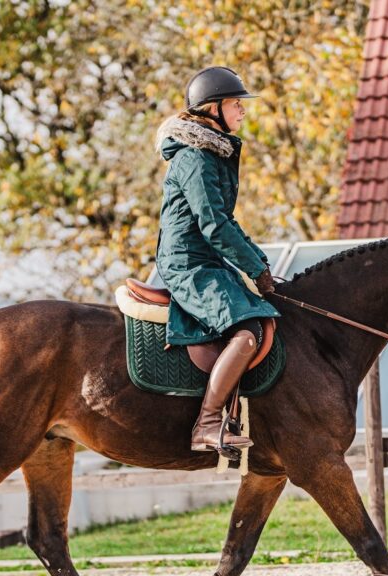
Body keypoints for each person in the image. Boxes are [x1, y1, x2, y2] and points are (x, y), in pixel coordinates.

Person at [153, 66, 279, 457]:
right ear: (212, 109)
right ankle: (207, 422)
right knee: (246, 334)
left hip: (205, 260)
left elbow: (226, 222)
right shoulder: (196, 158)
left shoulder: (211, 154)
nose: (242, 112)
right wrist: (256, 269)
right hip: (189, 264)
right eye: (236, 104)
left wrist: (259, 262)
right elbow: (215, 225)